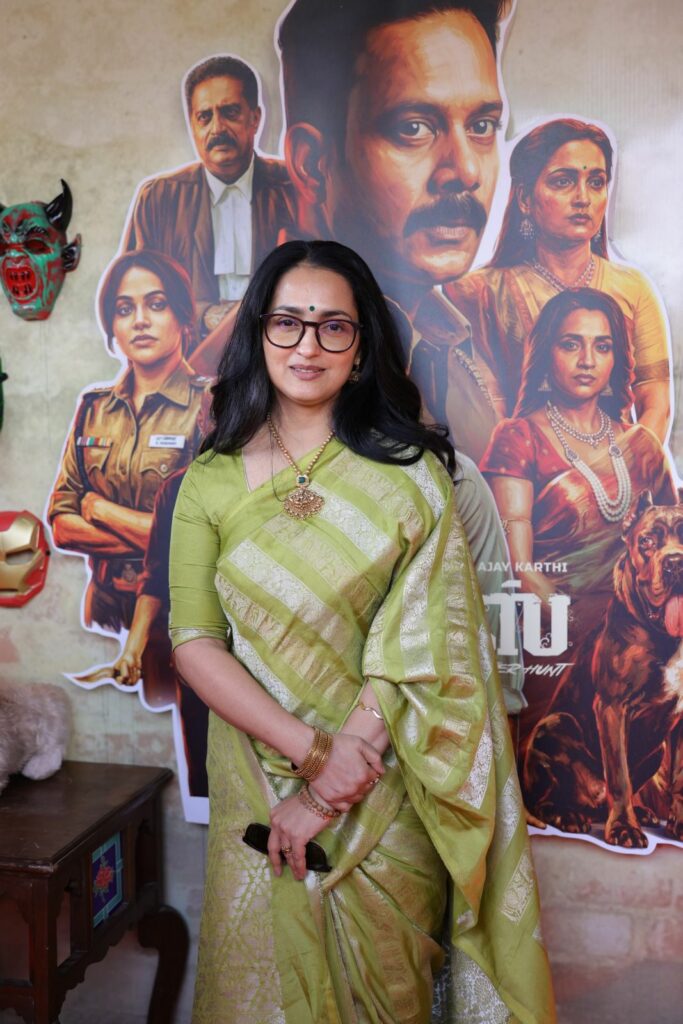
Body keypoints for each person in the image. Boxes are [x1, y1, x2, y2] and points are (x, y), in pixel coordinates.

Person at [169, 239, 554, 1023]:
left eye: (332, 327)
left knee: (389, 995)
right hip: (258, 782)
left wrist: (331, 785)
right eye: (287, 322)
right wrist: (312, 756)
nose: (307, 346)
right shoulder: (208, 479)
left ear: (360, 348)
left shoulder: (414, 475)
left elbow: (429, 645)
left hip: (384, 795)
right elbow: (194, 642)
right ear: (259, 333)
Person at [277, 0, 512, 461]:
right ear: (313, 165)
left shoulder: (456, 345)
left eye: (482, 126)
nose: (466, 171)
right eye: (414, 128)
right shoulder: (281, 365)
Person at [448, 118, 672, 442]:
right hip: (514, 467)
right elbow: (485, 417)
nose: (583, 198)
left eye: (596, 182)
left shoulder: (633, 288)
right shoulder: (477, 292)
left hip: (622, 467)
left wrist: (623, 466)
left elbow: (656, 405)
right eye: (563, 181)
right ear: (525, 198)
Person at [49, 250, 210, 692]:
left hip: (177, 616)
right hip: (102, 609)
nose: (140, 320)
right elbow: (61, 524)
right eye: (124, 309)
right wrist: (155, 538)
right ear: (112, 326)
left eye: (156, 304)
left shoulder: (209, 405)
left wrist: (99, 509)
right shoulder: (94, 408)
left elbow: (197, 537)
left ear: (182, 316)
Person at [480, 287, 676, 628]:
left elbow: (676, 546)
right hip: (555, 633)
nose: (587, 360)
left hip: (646, 632)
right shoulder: (519, 437)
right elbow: (518, 569)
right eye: (571, 345)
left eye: (602, 346)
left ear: (615, 358)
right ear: (546, 353)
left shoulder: (642, 446)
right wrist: (585, 627)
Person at [123, 54, 295, 339]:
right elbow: (133, 295)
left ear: (255, 119)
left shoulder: (294, 187)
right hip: (189, 356)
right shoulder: (159, 199)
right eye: (205, 117)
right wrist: (204, 315)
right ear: (192, 125)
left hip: (278, 350)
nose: (217, 129)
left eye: (230, 112)